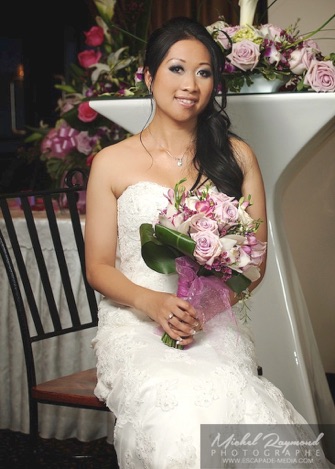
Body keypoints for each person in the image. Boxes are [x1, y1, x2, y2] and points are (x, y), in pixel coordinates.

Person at [85, 16, 333, 469]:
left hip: (211, 320)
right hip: (135, 323)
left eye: (204, 72)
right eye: (177, 68)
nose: (191, 84)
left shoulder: (236, 156)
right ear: (148, 75)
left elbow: (253, 262)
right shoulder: (110, 162)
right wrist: (153, 305)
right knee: (174, 407)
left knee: (234, 400)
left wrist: (207, 305)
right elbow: (98, 267)